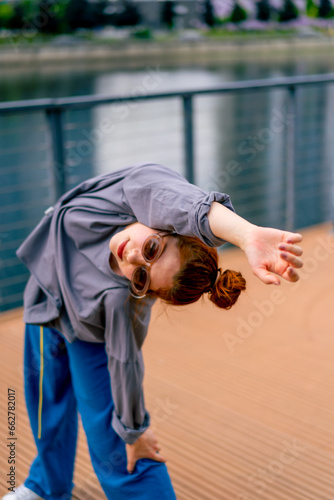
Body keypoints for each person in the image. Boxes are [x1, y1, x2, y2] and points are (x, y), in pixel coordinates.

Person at [3, 163, 303, 500]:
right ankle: (46, 486)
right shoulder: (134, 194)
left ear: (142, 291)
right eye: (151, 250)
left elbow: (125, 363)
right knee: (45, 403)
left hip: (88, 336)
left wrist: (135, 431)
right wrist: (245, 234)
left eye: (141, 276)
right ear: (165, 224)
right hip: (45, 298)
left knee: (115, 441)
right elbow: (185, 202)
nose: (131, 255)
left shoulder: (120, 300)